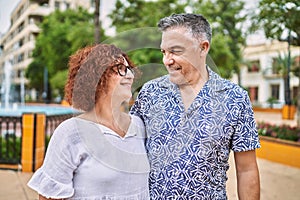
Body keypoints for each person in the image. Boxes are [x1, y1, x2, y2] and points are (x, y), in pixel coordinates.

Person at [130, 13, 260, 199]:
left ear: (203, 47)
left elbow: (246, 170)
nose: (167, 60)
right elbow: (130, 151)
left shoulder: (235, 98)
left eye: (175, 51)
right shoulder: (149, 93)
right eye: (164, 52)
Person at [28, 44, 150, 199]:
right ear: (96, 77)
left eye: (129, 69)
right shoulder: (71, 132)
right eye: (120, 68)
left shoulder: (139, 126)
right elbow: (48, 197)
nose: (130, 76)